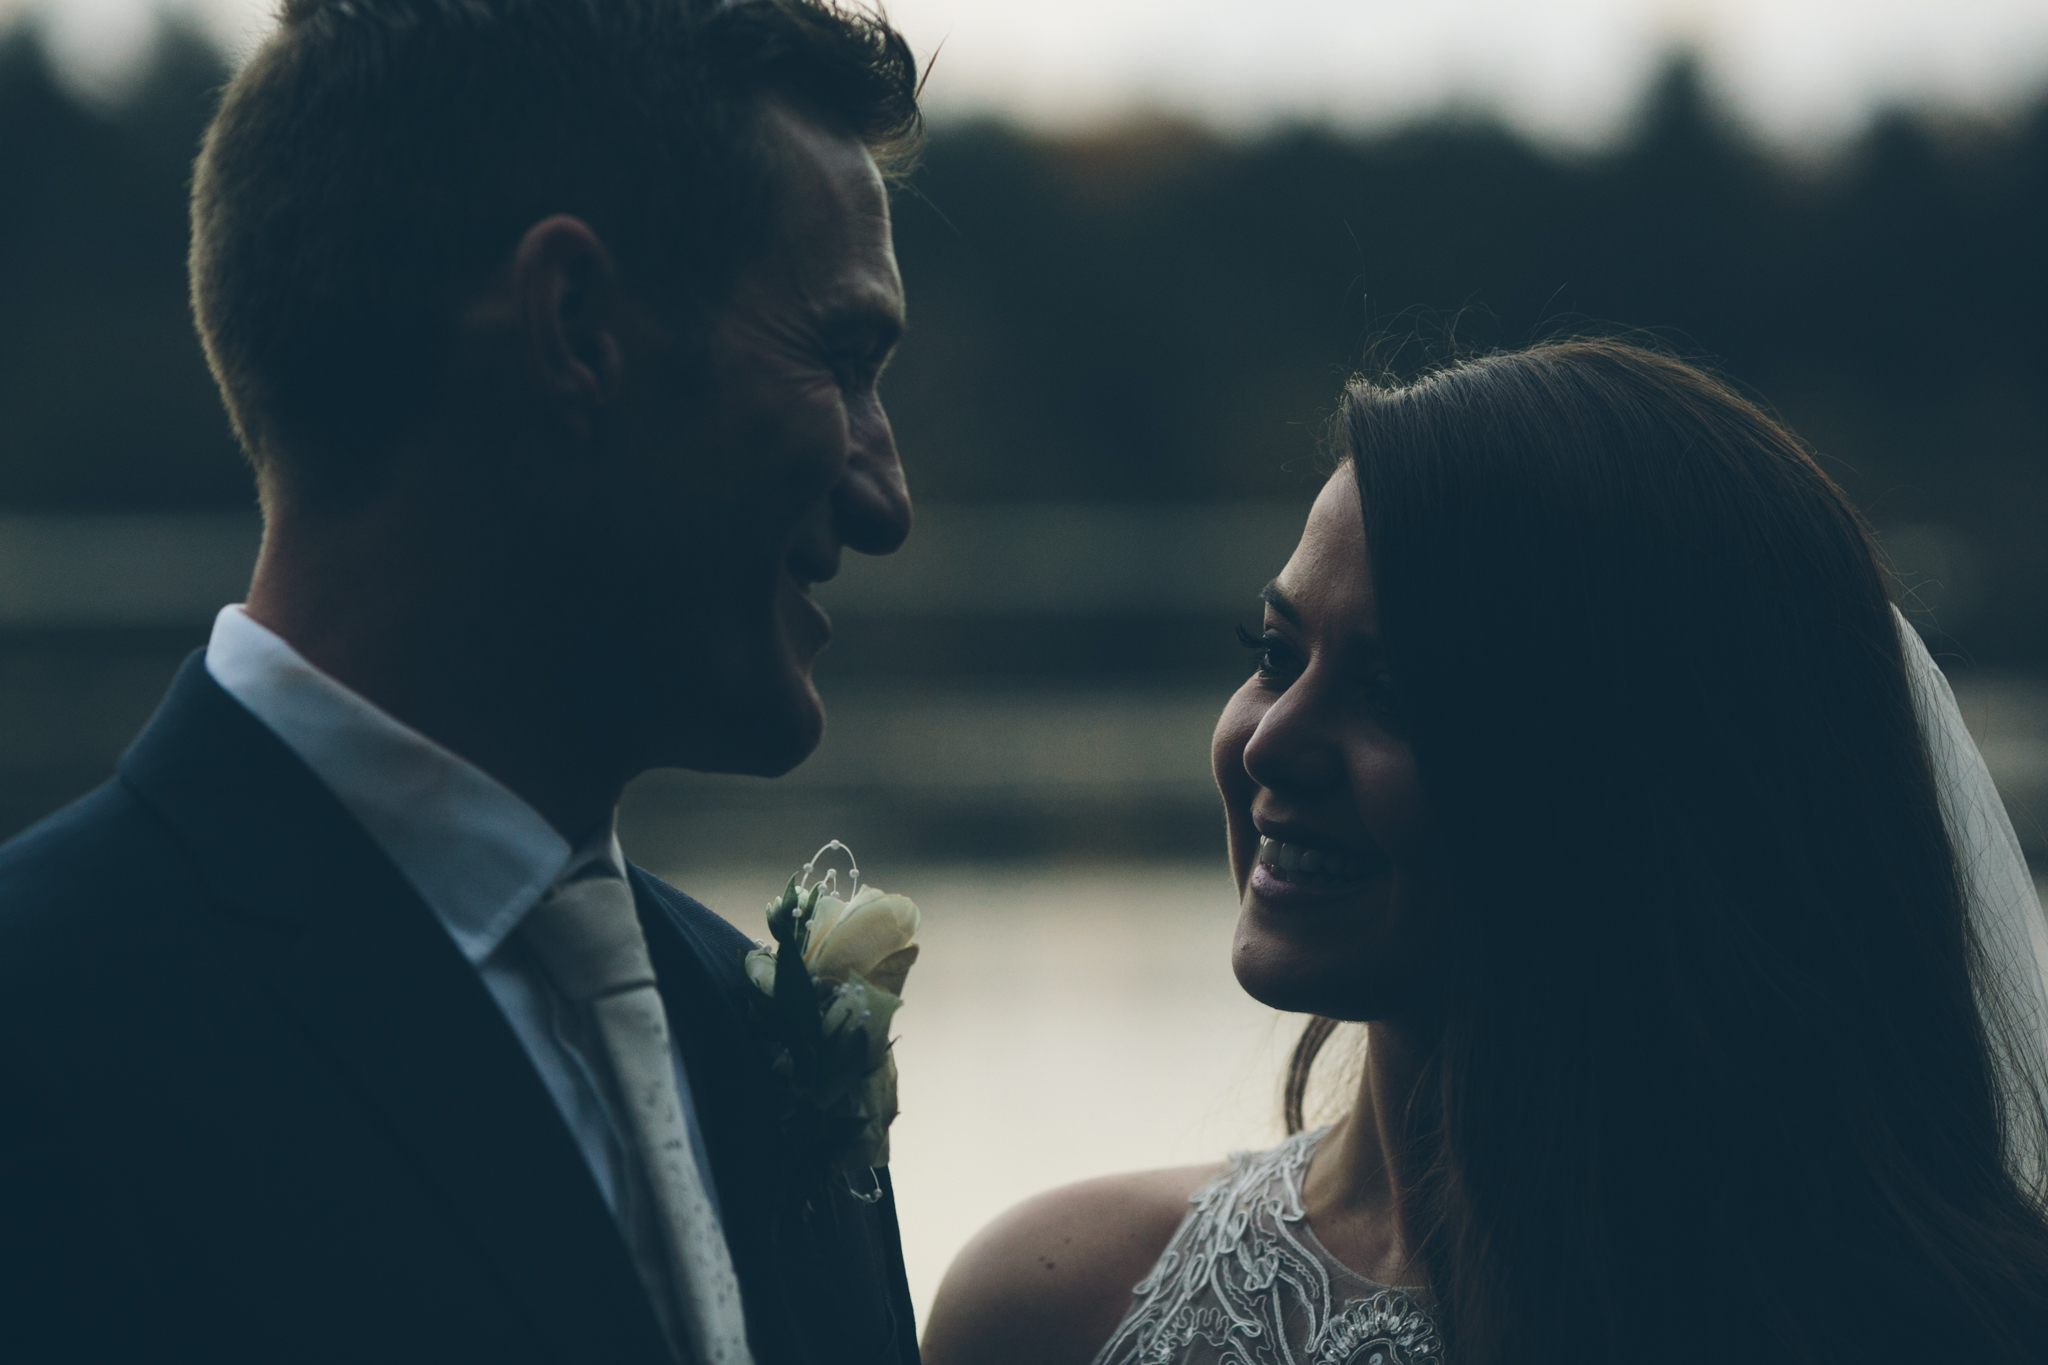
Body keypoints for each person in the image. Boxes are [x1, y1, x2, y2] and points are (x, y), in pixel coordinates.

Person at [0, 1, 923, 1361]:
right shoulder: (43, 1041)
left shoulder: (744, 1026)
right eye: (841, 360)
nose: (887, 490)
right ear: (576, 328)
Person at [921, 339, 2048, 1365]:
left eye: (1393, 694)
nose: (1270, 741)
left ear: (1625, 781)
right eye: (1273, 653)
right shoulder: (1052, 1312)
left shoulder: (1935, 1331)